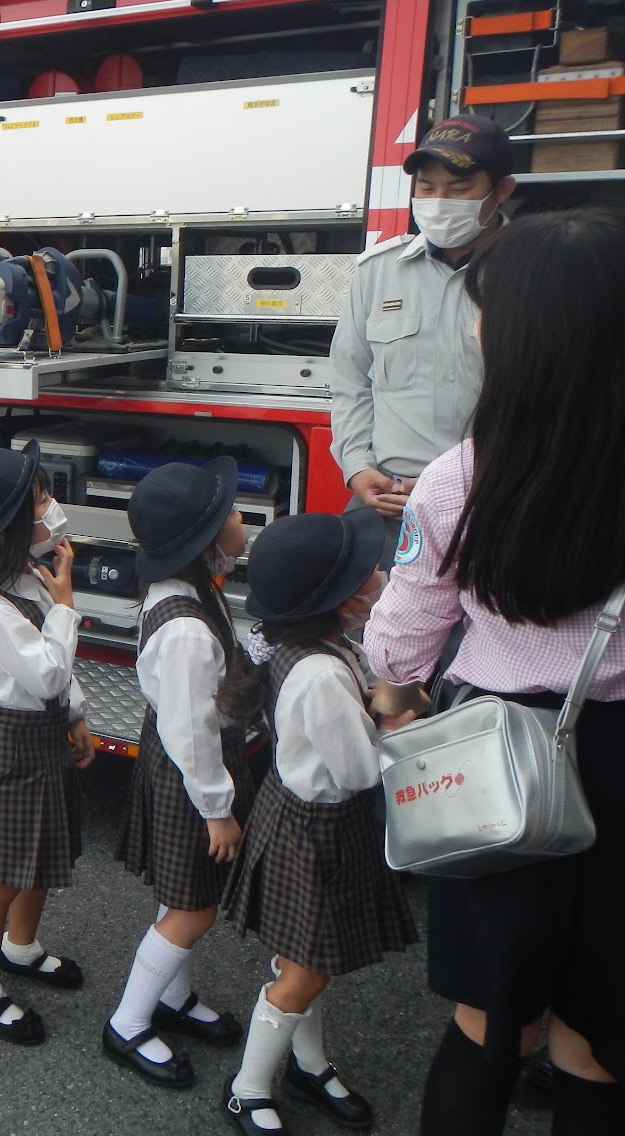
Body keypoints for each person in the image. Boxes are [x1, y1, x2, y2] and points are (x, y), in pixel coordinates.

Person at [365, 209, 625, 1136]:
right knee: (596, 1042)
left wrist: (394, 702)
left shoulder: (458, 478)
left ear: (522, 336)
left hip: (496, 758)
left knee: (488, 1025)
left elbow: (398, 645)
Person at [215, 511, 419, 1135]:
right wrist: (399, 723)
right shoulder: (323, 674)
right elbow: (360, 770)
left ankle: (307, 1064)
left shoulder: (313, 649)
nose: (380, 575)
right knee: (307, 969)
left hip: (299, 819)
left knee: (304, 959)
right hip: (318, 831)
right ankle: (248, 1089)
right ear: (342, 600)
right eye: (368, 572)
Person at [106, 458, 255, 1088]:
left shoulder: (186, 592)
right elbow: (192, 731)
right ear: (205, 538)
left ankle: (172, 996)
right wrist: (218, 810)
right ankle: (129, 1021)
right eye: (234, 514)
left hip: (185, 766)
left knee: (181, 892)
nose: (243, 522)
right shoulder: (187, 629)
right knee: (195, 908)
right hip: (196, 774)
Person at [0, 441, 95, 1046]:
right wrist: (66, 608)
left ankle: (21, 946)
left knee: (41, 857)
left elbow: (60, 677)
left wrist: (76, 715)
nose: (53, 506)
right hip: (8, 745)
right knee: (1, 876)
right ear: (9, 527)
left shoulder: (29, 576)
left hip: (41, 735)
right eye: (41, 500)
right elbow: (47, 671)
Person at [328, 113, 515, 557]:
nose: (439, 201)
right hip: (388, 504)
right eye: (427, 188)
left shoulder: (534, 274)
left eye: (459, 188)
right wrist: (357, 467)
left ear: (502, 190)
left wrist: (485, 478)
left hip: (494, 502)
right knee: (364, 600)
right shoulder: (378, 272)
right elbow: (350, 380)